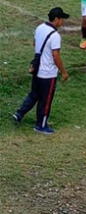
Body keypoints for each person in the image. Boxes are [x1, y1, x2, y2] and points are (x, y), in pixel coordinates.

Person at [12, 7, 70, 135]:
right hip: (48, 73)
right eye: (61, 19)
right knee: (46, 100)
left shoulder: (40, 28)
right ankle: (41, 125)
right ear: (56, 19)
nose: (62, 22)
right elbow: (56, 56)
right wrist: (63, 72)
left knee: (33, 94)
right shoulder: (55, 36)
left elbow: (34, 43)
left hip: (37, 70)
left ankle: (19, 113)